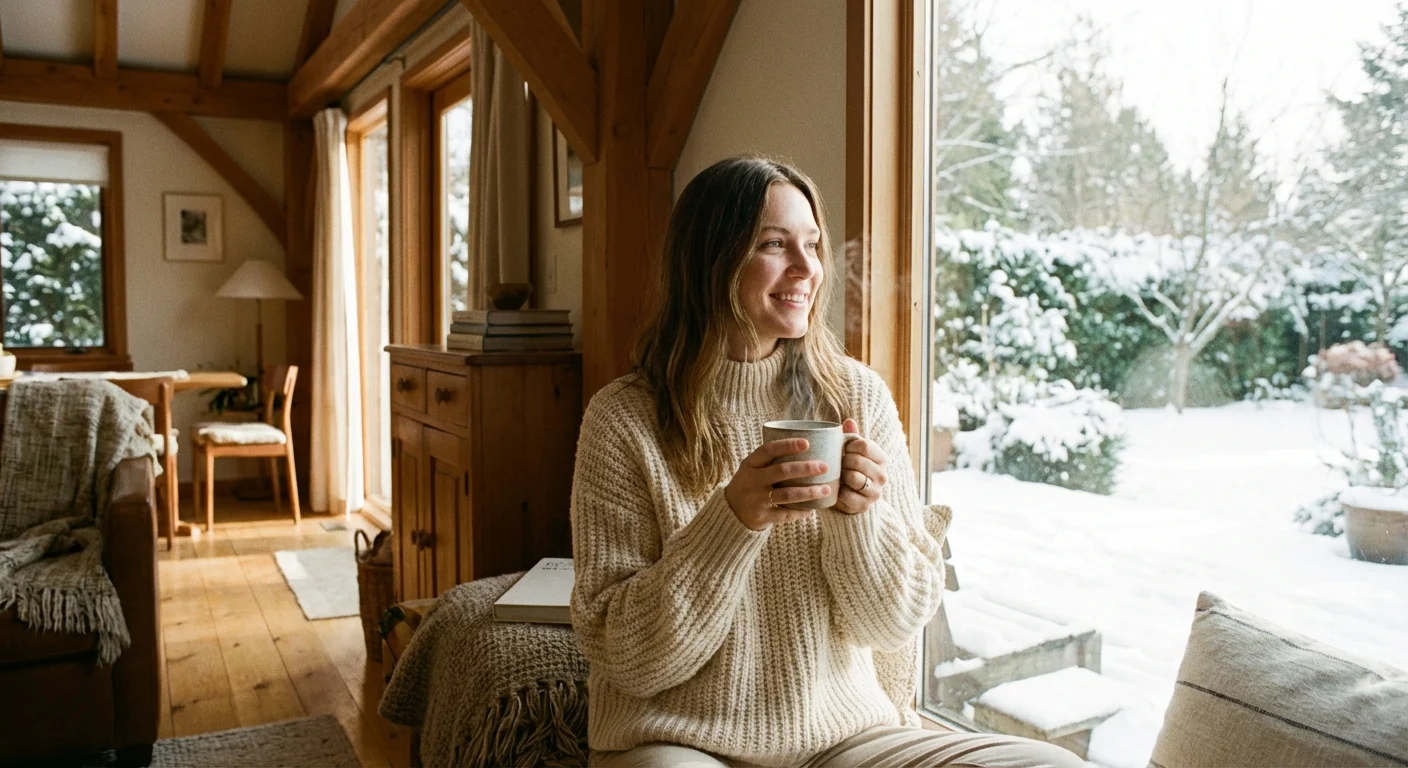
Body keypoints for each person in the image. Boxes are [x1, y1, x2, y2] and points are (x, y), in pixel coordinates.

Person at [569, 156, 1085, 768]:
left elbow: (894, 628)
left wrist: (859, 518)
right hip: (679, 741)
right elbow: (631, 658)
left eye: (813, 245)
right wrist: (733, 519)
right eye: (774, 244)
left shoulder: (856, 396)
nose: (808, 269)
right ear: (710, 260)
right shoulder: (624, 418)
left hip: (847, 740)